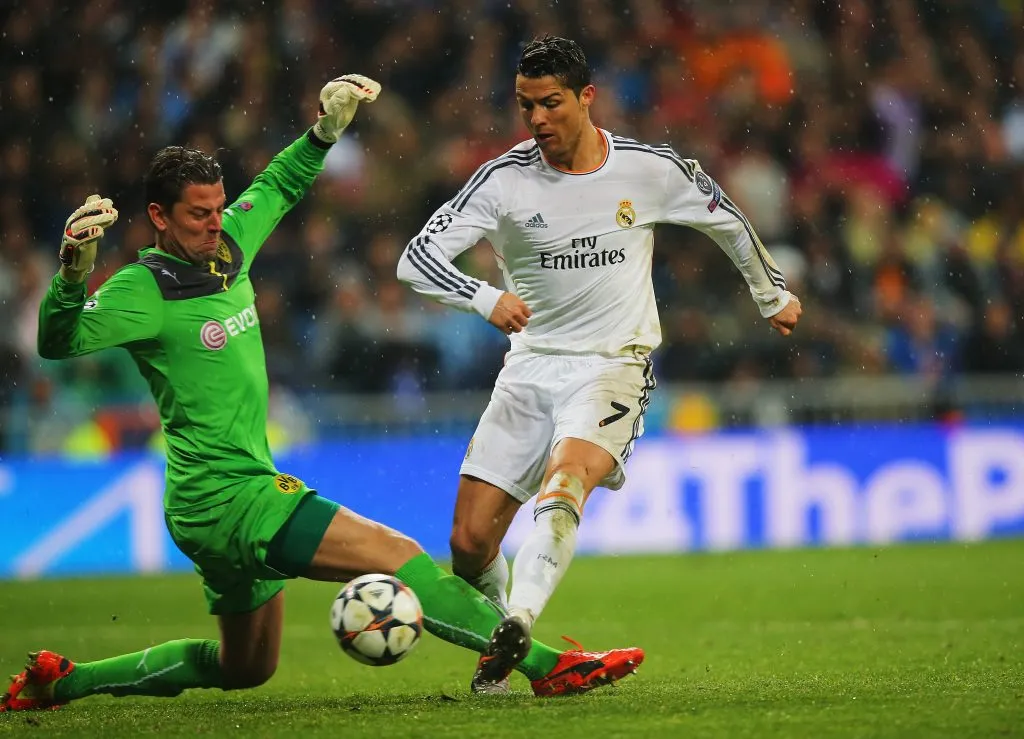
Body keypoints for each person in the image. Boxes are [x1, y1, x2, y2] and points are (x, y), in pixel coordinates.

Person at [1, 74, 642, 712]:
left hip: (212, 502)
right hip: (229, 497)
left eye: (219, 207)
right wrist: (71, 273)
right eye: (198, 215)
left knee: (243, 666)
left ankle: (62, 681)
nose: (214, 223)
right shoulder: (139, 291)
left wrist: (324, 131)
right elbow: (59, 342)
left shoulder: (228, 246)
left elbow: (277, 185)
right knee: (401, 558)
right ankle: (545, 666)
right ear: (159, 218)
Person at [397, 36, 802, 694]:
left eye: (551, 103)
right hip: (528, 369)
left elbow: (725, 219)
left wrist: (771, 294)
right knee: (469, 542)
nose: (536, 119)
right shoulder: (503, 180)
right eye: (525, 105)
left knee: (566, 482)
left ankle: (521, 621)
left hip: (612, 364)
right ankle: (505, 639)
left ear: (588, 98)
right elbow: (414, 259)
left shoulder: (647, 169)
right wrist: (483, 295)